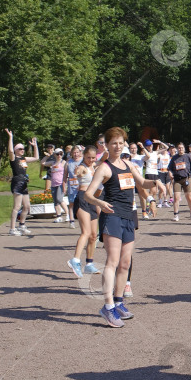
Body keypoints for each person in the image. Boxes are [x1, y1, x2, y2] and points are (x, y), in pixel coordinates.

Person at [84, 127, 157, 328]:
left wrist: (156, 183)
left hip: (128, 216)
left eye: (120, 142)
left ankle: (118, 302)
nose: (117, 146)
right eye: (113, 143)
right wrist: (100, 203)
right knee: (112, 262)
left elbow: (143, 183)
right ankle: (108, 307)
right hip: (112, 217)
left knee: (125, 263)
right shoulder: (104, 168)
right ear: (107, 145)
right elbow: (88, 194)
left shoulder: (128, 164)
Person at [67, 145, 101, 278]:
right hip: (82, 199)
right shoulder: (82, 167)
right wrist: (78, 172)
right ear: (83, 156)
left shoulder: (94, 166)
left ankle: (89, 264)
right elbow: (79, 172)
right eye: (88, 157)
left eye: (93, 158)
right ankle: (75, 260)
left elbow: (104, 158)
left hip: (92, 200)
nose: (91, 160)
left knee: (93, 235)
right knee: (86, 232)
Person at [5, 130, 39, 236]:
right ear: (16, 150)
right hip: (17, 182)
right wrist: (11, 137)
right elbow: (10, 151)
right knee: (17, 206)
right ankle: (12, 229)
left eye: (23, 149)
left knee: (27, 206)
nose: (22, 150)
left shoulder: (24, 159)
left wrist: (35, 146)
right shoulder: (14, 158)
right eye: (20, 149)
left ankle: (22, 225)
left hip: (24, 183)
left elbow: (36, 158)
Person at [168, 142, 191, 221]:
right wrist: (170, 173)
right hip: (177, 180)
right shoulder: (174, 158)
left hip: (186, 179)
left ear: (184, 149)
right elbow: (169, 168)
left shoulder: (188, 156)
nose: (180, 149)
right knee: (176, 198)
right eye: (179, 148)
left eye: (182, 148)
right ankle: (176, 215)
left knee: (189, 197)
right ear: (177, 149)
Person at [64, 146, 83, 228]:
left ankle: (82, 220)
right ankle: (71, 221)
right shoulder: (68, 162)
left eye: (77, 152)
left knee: (82, 204)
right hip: (71, 186)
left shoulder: (83, 161)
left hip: (81, 186)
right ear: (71, 153)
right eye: (74, 152)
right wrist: (64, 186)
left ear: (80, 152)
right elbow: (65, 176)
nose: (76, 154)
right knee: (71, 203)